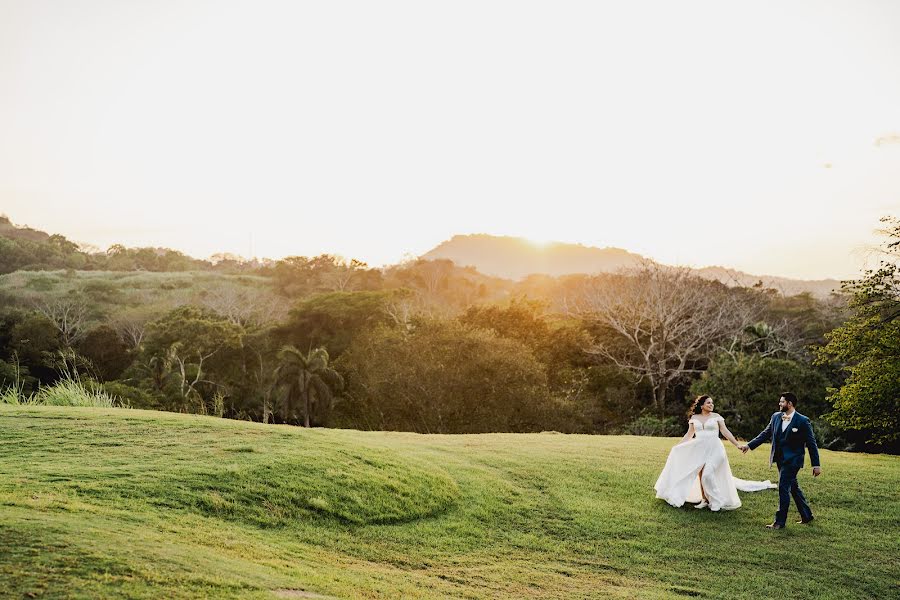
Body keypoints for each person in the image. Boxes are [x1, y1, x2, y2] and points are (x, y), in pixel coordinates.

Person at [655, 395, 775, 511]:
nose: (711, 404)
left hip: (716, 448)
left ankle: (717, 500)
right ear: (702, 405)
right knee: (700, 474)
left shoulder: (716, 416)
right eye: (708, 403)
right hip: (699, 449)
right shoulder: (694, 418)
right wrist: (678, 446)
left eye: (712, 403)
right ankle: (705, 500)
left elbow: (725, 431)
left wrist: (737, 444)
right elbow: (689, 434)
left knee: (707, 474)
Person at [740, 392, 821, 529]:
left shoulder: (802, 420)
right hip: (779, 459)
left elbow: (811, 443)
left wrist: (816, 465)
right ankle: (807, 515)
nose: (779, 404)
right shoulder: (776, 416)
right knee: (793, 487)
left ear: (789, 404)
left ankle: (779, 522)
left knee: (783, 487)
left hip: (793, 460)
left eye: (782, 402)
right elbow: (765, 433)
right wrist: (749, 445)